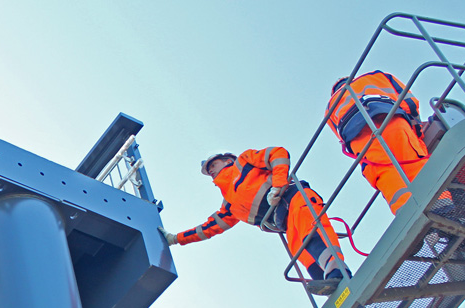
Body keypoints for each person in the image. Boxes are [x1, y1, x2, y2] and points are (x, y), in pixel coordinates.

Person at [159, 149, 351, 296]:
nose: (210, 169)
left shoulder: (244, 161)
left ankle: (338, 274)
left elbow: (278, 153)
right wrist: (175, 239)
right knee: (303, 253)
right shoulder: (230, 205)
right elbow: (208, 229)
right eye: (208, 170)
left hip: (295, 198)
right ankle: (337, 294)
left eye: (213, 164)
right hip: (284, 221)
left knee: (312, 234)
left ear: (228, 160)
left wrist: (278, 184)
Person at [326, 71, 429, 214]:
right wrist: (417, 130)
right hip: (391, 120)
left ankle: (408, 214)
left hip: (361, 141)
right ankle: (442, 204)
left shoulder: (331, 106)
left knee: (386, 174)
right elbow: (409, 102)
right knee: (413, 161)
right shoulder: (377, 76)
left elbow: (342, 139)